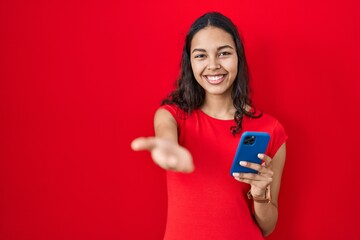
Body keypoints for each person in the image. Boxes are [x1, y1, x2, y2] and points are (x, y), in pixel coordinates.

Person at [131, 12, 287, 240]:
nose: (213, 65)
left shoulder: (271, 130)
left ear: (238, 57)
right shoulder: (172, 117)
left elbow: (267, 227)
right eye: (201, 56)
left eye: (224, 53)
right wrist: (167, 151)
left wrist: (260, 194)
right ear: (190, 62)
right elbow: (166, 139)